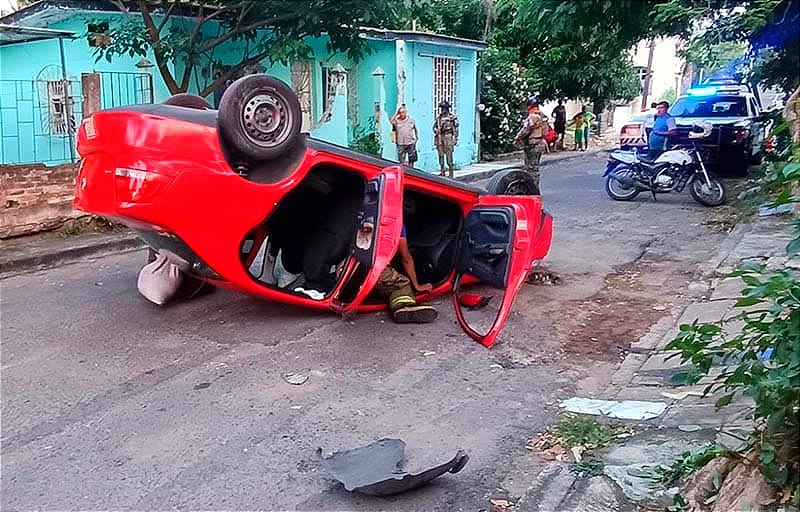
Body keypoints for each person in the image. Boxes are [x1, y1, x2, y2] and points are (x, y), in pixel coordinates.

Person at [368, 225, 437, 324]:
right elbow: (406, 257)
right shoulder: (395, 223)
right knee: (402, 285)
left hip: (346, 270)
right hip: (374, 271)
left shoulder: (363, 215)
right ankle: (404, 305)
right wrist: (417, 286)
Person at [513, 96, 548, 192]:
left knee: (530, 169)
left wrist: (517, 138)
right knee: (535, 168)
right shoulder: (542, 116)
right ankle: (534, 189)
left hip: (532, 144)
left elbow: (526, 130)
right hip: (540, 143)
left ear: (529, 106)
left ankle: (533, 191)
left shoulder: (533, 117)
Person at [433, 100, 459, 177]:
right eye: (442, 108)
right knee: (440, 155)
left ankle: (451, 172)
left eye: (444, 108)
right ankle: (442, 171)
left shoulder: (452, 117)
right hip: (440, 137)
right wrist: (436, 130)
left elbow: (456, 128)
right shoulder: (439, 118)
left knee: (449, 155)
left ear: (447, 108)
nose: (442, 110)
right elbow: (434, 127)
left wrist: (455, 138)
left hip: (448, 136)